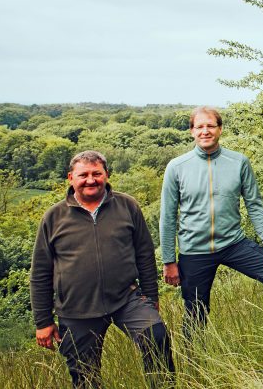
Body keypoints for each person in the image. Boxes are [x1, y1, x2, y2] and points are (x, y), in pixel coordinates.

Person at [30, 150, 174, 388]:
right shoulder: (54, 217)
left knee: (156, 337)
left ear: (106, 175)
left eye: (96, 173)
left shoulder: (127, 206)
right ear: (70, 178)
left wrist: (151, 295)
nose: (90, 179)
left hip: (126, 299)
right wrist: (43, 321)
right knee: (85, 376)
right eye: (83, 174)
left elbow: (145, 254)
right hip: (76, 309)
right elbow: (40, 272)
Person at [160, 106, 263, 334]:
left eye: (210, 126)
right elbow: (167, 217)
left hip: (234, 244)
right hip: (194, 251)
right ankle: (194, 363)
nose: (205, 131)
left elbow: (254, 203)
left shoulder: (239, 162)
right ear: (192, 131)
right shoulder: (177, 167)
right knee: (196, 315)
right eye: (200, 126)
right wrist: (168, 261)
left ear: (220, 129)